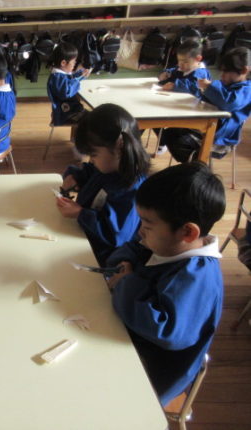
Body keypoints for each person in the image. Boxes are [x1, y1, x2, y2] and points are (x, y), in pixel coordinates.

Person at [106, 162, 225, 407]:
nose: (140, 231)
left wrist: (127, 282)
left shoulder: (197, 277)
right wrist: (124, 272)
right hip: (125, 337)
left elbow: (165, 330)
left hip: (149, 375)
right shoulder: (164, 242)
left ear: (188, 233)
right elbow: (122, 256)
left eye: (147, 225)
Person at [56, 103, 150, 266]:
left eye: (94, 155)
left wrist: (80, 213)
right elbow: (90, 171)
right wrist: (74, 176)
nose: (92, 160)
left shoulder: (131, 189)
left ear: (119, 147)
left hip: (103, 259)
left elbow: (116, 236)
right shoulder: (109, 166)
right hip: (83, 237)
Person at [161, 47, 251, 162]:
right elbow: (204, 98)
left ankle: (197, 164)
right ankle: (194, 163)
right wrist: (202, 90)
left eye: (226, 72)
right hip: (205, 126)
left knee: (178, 139)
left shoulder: (247, 90)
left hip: (220, 139)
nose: (222, 75)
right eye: (221, 71)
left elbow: (229, 103)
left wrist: (209, 87)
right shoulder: (224, 84)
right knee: (170, 132)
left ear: (243, 71)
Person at [155, 39, 212, 155]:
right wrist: (166, 73)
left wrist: (175, 85)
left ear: (198, 59)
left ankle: (163, 141)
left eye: (185, 61)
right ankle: (162, 141)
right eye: (179, 61)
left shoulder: (201, 73)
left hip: (192, 111)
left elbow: (193, 86)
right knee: (153, 117)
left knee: (156, 119)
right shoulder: (184, 67)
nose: (180, 64)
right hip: (176, 104)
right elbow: (174, 70)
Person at [47, 41, 91, 128]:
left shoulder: (60, 75)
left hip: (72, 109)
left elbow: (70, 78)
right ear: (63, 63)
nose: (75, 64)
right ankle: (82, 135)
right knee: (93, 119)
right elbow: (66, 93)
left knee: (93, 116)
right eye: (73, 62)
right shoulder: (57, 78)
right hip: (66, 114)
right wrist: (77, 80)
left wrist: (81, 75)